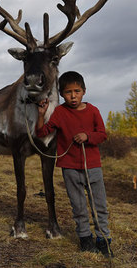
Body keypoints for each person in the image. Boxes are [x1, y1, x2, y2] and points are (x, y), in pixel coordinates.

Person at [36, 71, 113, 257]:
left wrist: (88, 136)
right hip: (70, 168)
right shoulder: (60, 113)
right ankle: (85, 239)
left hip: (92, 167)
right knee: (78, 206)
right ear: (62, 94)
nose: (73, 96)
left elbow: (102, 134)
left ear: (84, 91)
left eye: (77, 91)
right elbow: (42, 133)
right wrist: (41, 115)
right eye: (68, 92)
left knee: (99, 205)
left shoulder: (93, 110)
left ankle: (103, 240)